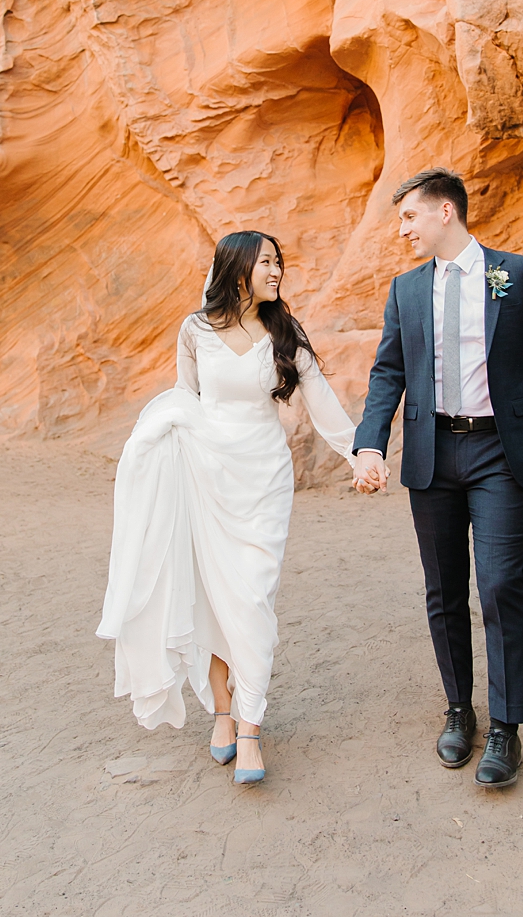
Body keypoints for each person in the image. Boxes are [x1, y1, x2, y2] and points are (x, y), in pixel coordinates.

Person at [352, 168, 523, 788]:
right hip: (431, 456)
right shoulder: (404, 290)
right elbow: (388, 374)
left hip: (499, 452)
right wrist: (369, 445)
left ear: (445, 214)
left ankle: (507, 728)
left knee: (500, 584)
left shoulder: (518, 274)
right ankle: (460, 710)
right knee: (444, 590)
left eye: (409, 217)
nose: (402, 230)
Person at [97, 231, 357, 785]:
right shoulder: (194, 330)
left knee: (252, 597)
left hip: (264, 478)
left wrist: (361, 456)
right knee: (216, 600)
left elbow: (324, 405)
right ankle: (225, 713)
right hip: (207, 477)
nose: (277, 270)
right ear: (237, 266)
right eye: (267, 261)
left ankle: (251, 728)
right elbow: (185, 401)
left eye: (279, 261)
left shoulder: (284, 333)